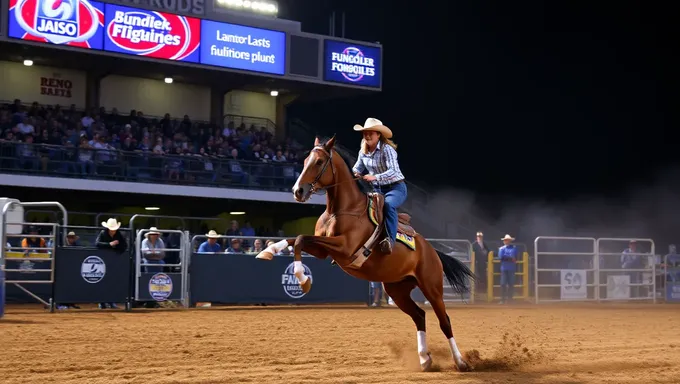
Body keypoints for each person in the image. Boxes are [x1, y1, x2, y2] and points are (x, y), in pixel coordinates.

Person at [352, 118, 408, 254]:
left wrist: (375, 177)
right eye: (365, 133)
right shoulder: (363, 151)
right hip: (376, 189)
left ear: (379, 135)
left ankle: (390, 240)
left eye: (372, 133)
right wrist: (355, 173)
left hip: (396, 188)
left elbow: (394, 171)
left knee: (388, 205)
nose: (368, 135)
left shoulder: (387, 149)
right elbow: (357, 168)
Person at [497, 234, 518, 304]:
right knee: (503, 284)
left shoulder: (512, 248)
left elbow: (515, 257)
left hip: (510, 268)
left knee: (511, 284)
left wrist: (508, 258)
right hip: (505, 268)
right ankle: (503, 299)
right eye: (506, 240)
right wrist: (511, 258)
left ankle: (509, 299)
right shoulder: (502, 249)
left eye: (508, 240)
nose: (507, 241)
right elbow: (501, 257)